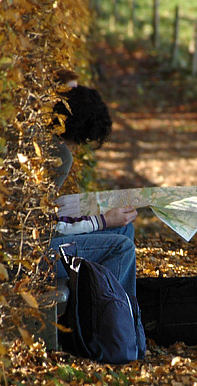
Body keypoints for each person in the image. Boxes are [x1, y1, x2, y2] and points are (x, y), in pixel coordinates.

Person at [49, 69, 138, 299]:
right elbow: (51, 227)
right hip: (39, 255)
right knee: (122, 247)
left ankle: (120, 317)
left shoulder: (48, 146)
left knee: (124, 228)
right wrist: (102, 220)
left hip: (45, 245)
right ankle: (111, 326)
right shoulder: (58, 155)